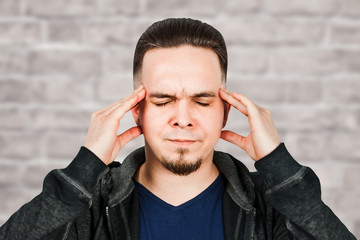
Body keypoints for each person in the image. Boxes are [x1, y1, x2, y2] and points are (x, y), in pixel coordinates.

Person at [0, 18, 356, 240]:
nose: (183, 118)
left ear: (227, 113)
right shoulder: (92, 204)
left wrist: (280, 166)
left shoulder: (270, 204)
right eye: (163, 100)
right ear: (136, 110)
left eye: (202, 101)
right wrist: (84, 167)